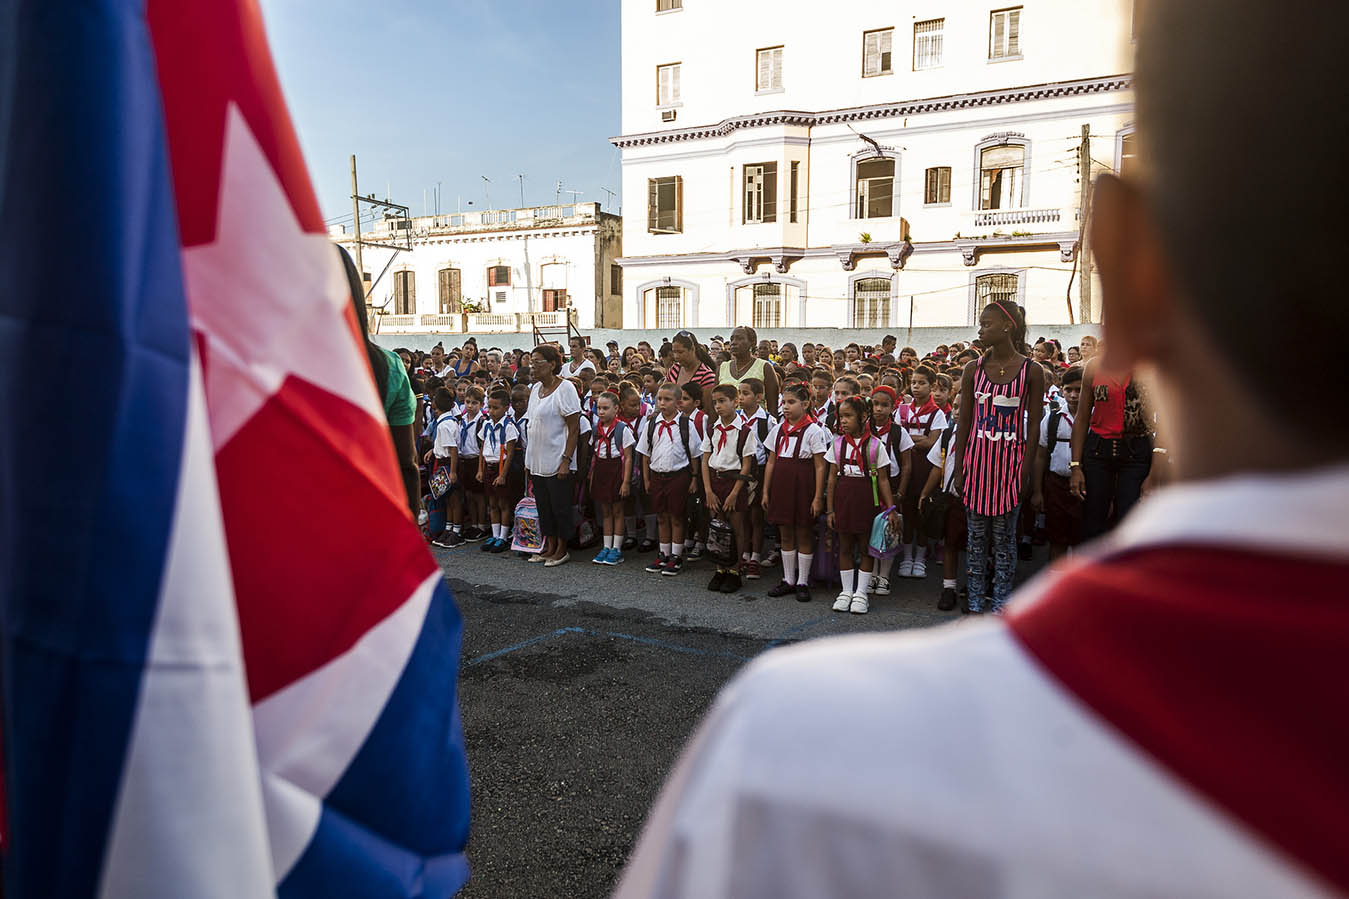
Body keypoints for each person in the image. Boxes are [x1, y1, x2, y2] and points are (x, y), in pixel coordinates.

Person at [951, 301, 1044, 613]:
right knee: (976, 540)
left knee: (1005, 541)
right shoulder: (971, 370)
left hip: (1010, 467)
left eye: (986, 324)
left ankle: (1002, 602)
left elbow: (1033, 427)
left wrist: (1026, 471)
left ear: (1007, 327)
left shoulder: (1032, 371)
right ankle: (976, 600)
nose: (980, 330)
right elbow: (964, 422)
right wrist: (961, 467)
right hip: (977, 464)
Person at [825, 395, 899, 615]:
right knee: (845, 546)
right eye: (841, 417)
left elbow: (884, 479)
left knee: (867, 548)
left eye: (848, 416)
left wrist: (891, 509)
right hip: (844, 499)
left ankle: (861, 593)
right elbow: (831, 478)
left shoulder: (876, 445)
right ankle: (846, 591)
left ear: (864, 416)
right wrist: (830, 509)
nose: (843, 421)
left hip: (867, 500)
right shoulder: (837, 444)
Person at [1069, 357, 1154, 539]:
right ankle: (1095, 565)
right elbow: (1082, 416)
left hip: (1137, 453)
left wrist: (1155, 473)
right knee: (1093, 519)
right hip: (1097, 451)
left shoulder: (1151, 364)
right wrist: (1075, 465)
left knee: (1131, 520)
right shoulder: (1094, 366)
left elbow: (1164, 421)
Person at [762, 383, 828, 603]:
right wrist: (765, 490)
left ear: (806, 404)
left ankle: (803, 581)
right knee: (786, 533)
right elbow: (771, 461)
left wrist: (818, 497)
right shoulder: (778, 429)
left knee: (804, 533)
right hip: (781, 488)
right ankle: (788, 579)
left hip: (803, 489)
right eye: (784, 402)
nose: (786, 407)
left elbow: (820, 466)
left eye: (791, 402)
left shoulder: (813, 430)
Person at [637, 383, 703, 577]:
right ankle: (663, 553)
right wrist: (647, 479)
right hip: (657, 476)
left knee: (677, 516)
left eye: (667, 399)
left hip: (678, 476)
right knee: (661, 516)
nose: (662, 403)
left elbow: (694, 455)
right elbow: (645, 454)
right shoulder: (651, 424)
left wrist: (693, 478)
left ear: (678, 403)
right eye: (659, 399)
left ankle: (676, 555)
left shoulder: (685, 425)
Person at [523, 345, 581, 567]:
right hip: (537, 459)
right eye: (531, 361)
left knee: (559, 506)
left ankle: (562, 548)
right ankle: (549, 544)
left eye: (537, 362)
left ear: (552, 364)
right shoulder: (535, 389)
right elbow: (531, 425)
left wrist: (566, 459)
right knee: (544, 507)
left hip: (558, 459)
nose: (533, 366)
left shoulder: (565, 388)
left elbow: (573, 428)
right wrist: (529, 460)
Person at [702, 384, 758, 595]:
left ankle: (735, 570)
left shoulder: (744, 432)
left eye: (722, 401)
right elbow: (705, 459)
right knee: (717, 525)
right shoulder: (712, 429)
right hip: (715, 481)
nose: (718, 406)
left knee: (736, 527)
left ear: (736, 402)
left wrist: (735, 493)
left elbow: (746, 464)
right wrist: (707, 490)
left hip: (735, 482)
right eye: (715, 402)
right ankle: (720, 567)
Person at [895, 365, 948, 579]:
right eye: (914, 383)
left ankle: (920, 558)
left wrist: (911, 439)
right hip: (906, 468)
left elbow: (933, 442)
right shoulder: (902, 410)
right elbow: (898, 438)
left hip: (927, 469)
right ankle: (907, 557)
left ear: (932, 385)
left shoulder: (937, 414)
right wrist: (918, 440)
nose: (916, 387)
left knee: (923, 511)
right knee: (907, 513)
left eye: (922, 383)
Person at [1032, 365, 1083, 559]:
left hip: (1085, 486)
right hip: (1056, 484)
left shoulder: (1095, 417)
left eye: (1079, 390)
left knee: (1082, 538)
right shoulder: (1053, 417)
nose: (1073, 395)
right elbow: (1040, 455)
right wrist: (1037, 491)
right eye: (1068, 390)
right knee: (1057, 538)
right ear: (1062, 390)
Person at [867, 385, 914, 596]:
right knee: (872, 528)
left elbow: (906, 464)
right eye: (875, 404)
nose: (879, 409)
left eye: (884, 405)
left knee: (890, 528)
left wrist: (901, 492)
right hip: (869, 484)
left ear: (893, 407)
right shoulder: (864, 428)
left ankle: (884, 575)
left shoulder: (898, 432)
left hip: (892, 484)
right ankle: (872, 573)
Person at [588, 391, 636, 565]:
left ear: (616, 409)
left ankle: (617, 548)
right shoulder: (596, 430)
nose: (601, 412)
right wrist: (592, 476)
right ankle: (606, 546)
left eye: (605, 408)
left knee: (617, 510)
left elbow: (629, 457)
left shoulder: (622, 429)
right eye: (599, 408)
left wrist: (626, 481)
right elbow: (594, 456)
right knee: (605, 511)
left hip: (616, 470)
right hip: (601, 470)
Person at [477, 387, 520, 552]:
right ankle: (494, 535)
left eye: (496, 408)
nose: (492, 411)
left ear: (506, 408)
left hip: (501, 469)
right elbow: (482, 448)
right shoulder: (487, 424)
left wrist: (503, 475)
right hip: (488, 467)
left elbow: (510, 454)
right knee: (492, 503)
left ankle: (503, 536)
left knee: (503, 503)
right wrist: (480, 470)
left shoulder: (508, 426)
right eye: (490, 407)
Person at [718, 326, 779, 421]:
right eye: (732, 339)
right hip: (726, 428)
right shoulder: (722, 368)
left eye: (740, 338)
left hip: (755, 428)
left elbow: (773, 408)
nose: (733, 343)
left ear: (752, 342)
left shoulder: (764, 367)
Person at [667, 330, 717, 411]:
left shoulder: (706, 375)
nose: (676, 356)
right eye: (674, 352)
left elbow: (708, 410)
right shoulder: (674, 370)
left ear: (692, 349)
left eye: (680, 352)